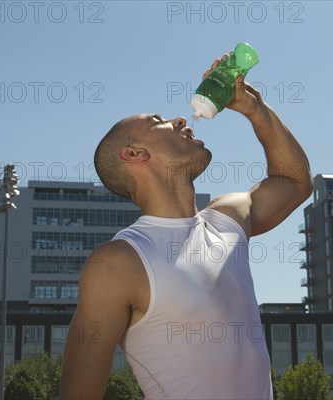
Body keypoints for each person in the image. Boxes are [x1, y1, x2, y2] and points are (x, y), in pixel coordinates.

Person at [58, 53, 313, 399]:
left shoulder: (228, 218)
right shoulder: (118, 263)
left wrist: (256, 110)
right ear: (134, 155)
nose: (180, 119)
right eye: (158, 121)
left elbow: (295, 182)